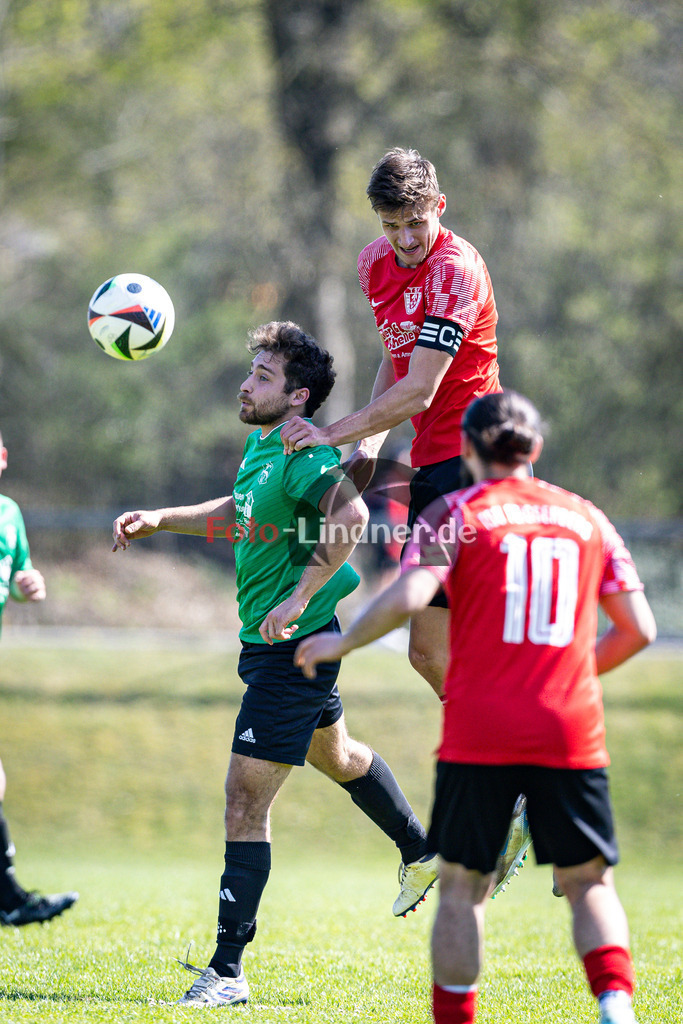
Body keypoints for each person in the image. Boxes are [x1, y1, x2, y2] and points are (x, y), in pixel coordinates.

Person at [295, 390, 657, 1024]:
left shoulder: (457, 513)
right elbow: (639, 630)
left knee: (463, 886)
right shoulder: (587, 518)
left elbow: (413, 592)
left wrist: (344, 640)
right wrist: (570, 676)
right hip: (567, 726)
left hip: (481, 727)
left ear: (465, 448)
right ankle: (615, 1004)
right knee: (588, 882)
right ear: (535, 448)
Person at [112, 321, 439, 1008]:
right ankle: (421, 849)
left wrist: (299, 595)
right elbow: (240, 514)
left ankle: (227, 970)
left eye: (262, 376)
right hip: (275, 644)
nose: (245, 383)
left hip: (291, 647)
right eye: (250, 370)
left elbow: (349, 518)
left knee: (244, 800)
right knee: (337, 756)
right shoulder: (263, 444)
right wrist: (161, 517)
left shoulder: (300, 451)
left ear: (297, 398)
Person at [281, 146, 501, 698]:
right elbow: (395, 358)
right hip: (434, 462)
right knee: (427, 652)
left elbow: (420, 389)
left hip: (478, 463)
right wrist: (371, 442)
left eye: (416, 222)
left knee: (472, 636)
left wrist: (330, 433)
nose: (405, 239)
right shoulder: (371, 263)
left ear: (440, 206)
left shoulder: (454, 269)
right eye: (391, 225)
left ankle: (507, 741)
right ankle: (493, 739)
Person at [0, 430, 79, 927]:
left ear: (4, 457)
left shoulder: (9, 513)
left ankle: (9, 898)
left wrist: (26, 586)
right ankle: (10, 898)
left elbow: (17, 576)